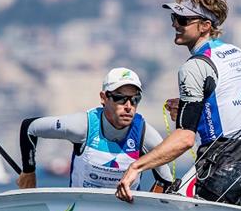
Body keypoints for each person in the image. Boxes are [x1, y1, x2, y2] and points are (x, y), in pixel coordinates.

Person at [116, 0, 241, 210]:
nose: (175, 25)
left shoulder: (194, 67)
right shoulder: (237, 54)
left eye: (183, 20)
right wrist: (192, 109)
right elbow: (231, 110)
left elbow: (185, 139)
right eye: (174, 19)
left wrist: (136, 168)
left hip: (222, 173)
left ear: (205, 26)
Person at [17, 67, 173, 191]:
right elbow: (30, 127)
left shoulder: (145, 134)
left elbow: (165, 181)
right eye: (120, 98)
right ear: (103, 98)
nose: (128, 106)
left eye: (135, 99)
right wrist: (28, 172)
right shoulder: (82, 126)